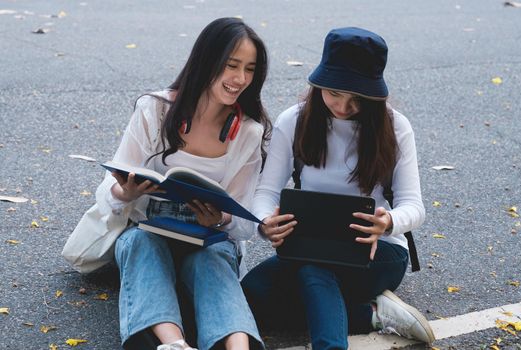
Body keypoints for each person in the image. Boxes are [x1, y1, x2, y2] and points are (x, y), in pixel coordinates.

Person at [241, 27, 435, 349]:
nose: (343, 107)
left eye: (357, 98)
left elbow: (414, 207)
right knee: (250, 297)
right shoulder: (295, 120)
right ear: (318, 85)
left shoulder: (395, 126)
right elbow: (266, 193)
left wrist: (387, 223)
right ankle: (374, 314)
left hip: (377, 251)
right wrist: (265, 223)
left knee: (313, 270)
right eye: (333, 93)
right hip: (308, 246)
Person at [94, 17, 271, 350]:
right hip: (151, 231)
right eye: (232, 65)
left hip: (208, 239)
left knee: (214, 258)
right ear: (207, 60)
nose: (240, 79)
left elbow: (244, 221)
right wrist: (126, 191)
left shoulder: (248, 130)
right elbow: (109, 191)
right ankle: (173, 344)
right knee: (140, 243)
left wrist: (220, 218)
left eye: (249, 69)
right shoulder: (155, 110)